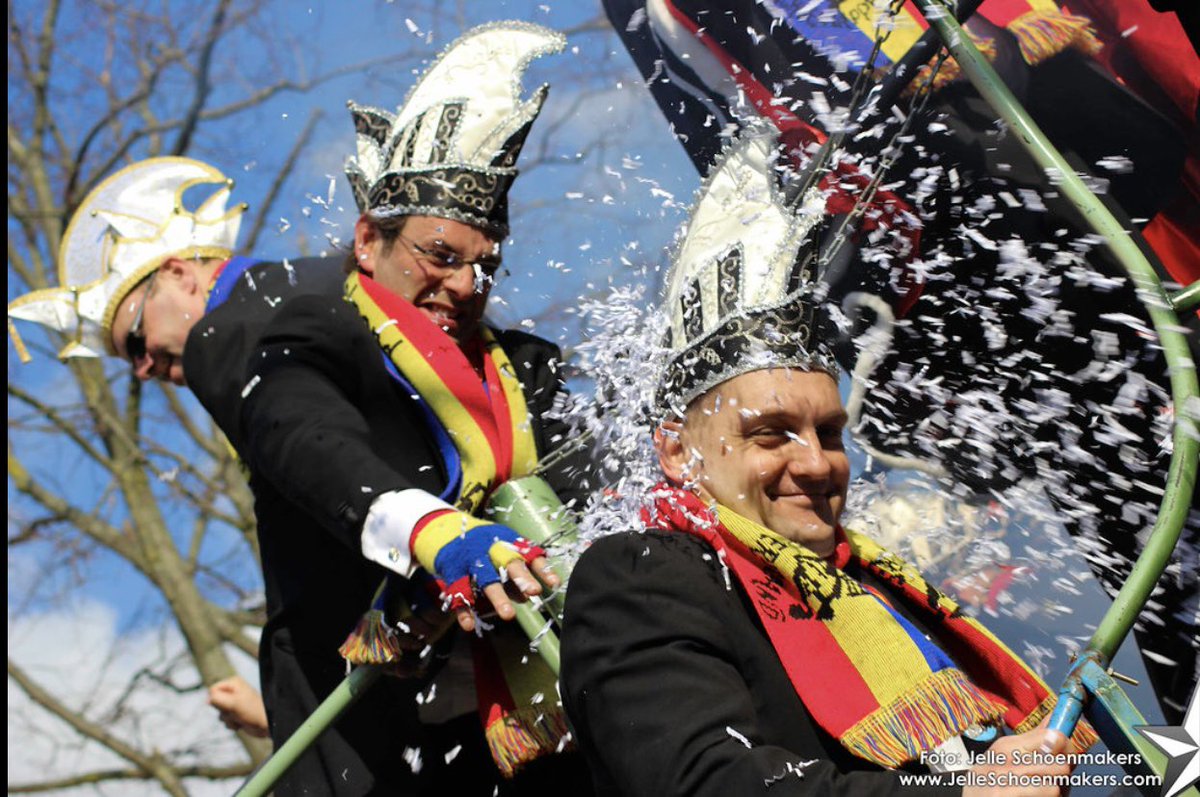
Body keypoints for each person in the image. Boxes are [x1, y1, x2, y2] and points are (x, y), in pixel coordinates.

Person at [560, 128, 1099, 796]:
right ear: (676, 450)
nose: (817, 463)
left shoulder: (881, 585)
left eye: (829, 432)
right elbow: (711, 785)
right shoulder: (637, 577)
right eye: (773, 433)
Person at [183, 22, 594, 796]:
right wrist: (430, 530)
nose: (467, 286)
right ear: (369, 240)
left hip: (536, 735)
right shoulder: (320, 334)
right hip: (373, 752)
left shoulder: (525, 372)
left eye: (484, 265)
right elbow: (301, 435)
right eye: (441, 256)